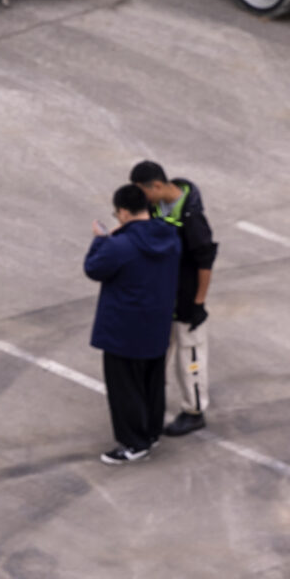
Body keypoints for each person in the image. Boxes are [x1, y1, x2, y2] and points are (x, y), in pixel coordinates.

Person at [84, 183, 180, 464]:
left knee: (124, 388)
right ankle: (150, 433)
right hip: (156, 325)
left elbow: (94, 268)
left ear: (124, 212)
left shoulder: (120, 246)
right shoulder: (171, 237)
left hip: (124, 329)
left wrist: (101, 239)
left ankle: (133, 443)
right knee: (152, 382)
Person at [129, 160, 217, 437]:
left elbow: (205, 261)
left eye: (141, 192)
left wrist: (198, 302)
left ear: (156, 186)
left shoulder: (191, 217)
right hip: (161, 295)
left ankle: (194, 411)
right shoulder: (154, 208)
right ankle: (148, 398)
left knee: (188, 354)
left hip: (185, 299)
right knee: (155, 349)